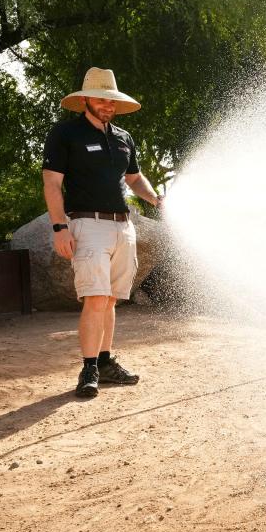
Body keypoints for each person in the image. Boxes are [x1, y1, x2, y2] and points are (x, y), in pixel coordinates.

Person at [42, 67, 162, 398]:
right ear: (85, 100)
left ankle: (106, 363)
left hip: (123, 226)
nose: (108, 106)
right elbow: (52, 183)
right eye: (101, 100)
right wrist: (59, 226)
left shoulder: (124, 138)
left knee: (109, 300)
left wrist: (155, 199)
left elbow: (135, 179)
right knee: (94, 298)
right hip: (86, 224)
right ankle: (89, 368)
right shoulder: (66, 134)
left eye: (112, 101)